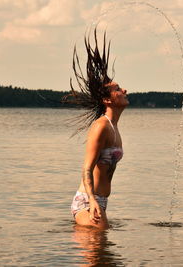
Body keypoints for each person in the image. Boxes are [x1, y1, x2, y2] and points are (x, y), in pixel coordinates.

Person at [67, 29, 128, 229]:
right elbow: (86, 168)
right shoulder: (101, 126)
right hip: (87, 202)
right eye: (117, 89)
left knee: (101, 256)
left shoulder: (114, 127)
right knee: (98, 248)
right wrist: (92, 202)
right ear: (107, 100)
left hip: (100, 201)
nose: (124, 90)